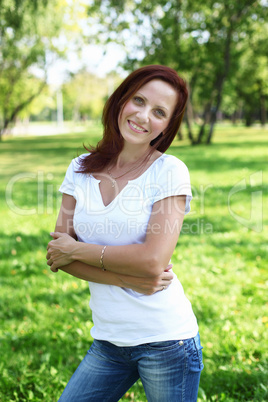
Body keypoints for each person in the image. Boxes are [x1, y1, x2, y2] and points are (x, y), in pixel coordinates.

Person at [46, 64, 203, 402]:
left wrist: (78, 250)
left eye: (159, 112)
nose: (144, 116)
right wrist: (126, 280)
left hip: (166, 341)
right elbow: (57, 254)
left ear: (167, 125)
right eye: (139, 100)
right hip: (108, 341)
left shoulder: (170, 171)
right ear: (121, 101)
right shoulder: (79, 168)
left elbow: (151, 262)